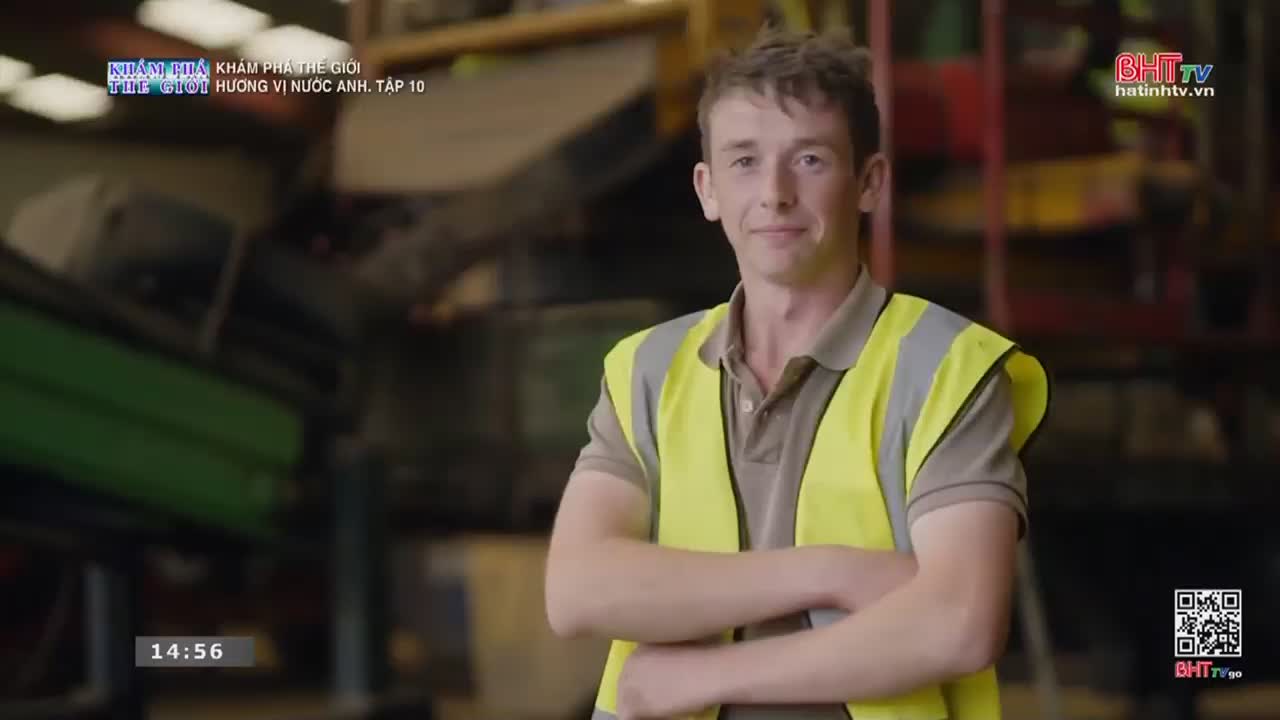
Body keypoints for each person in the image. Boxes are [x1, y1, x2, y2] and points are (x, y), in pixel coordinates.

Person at [544, 26, 1050, 720]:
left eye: (809, 159)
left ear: (869, 183)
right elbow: (576, 591)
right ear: (708, 189)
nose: (775, 194)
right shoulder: (645, 370)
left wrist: (705, 678)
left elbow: (959, 623)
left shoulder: (945, 368)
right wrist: (830, 572)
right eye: (744, 161)